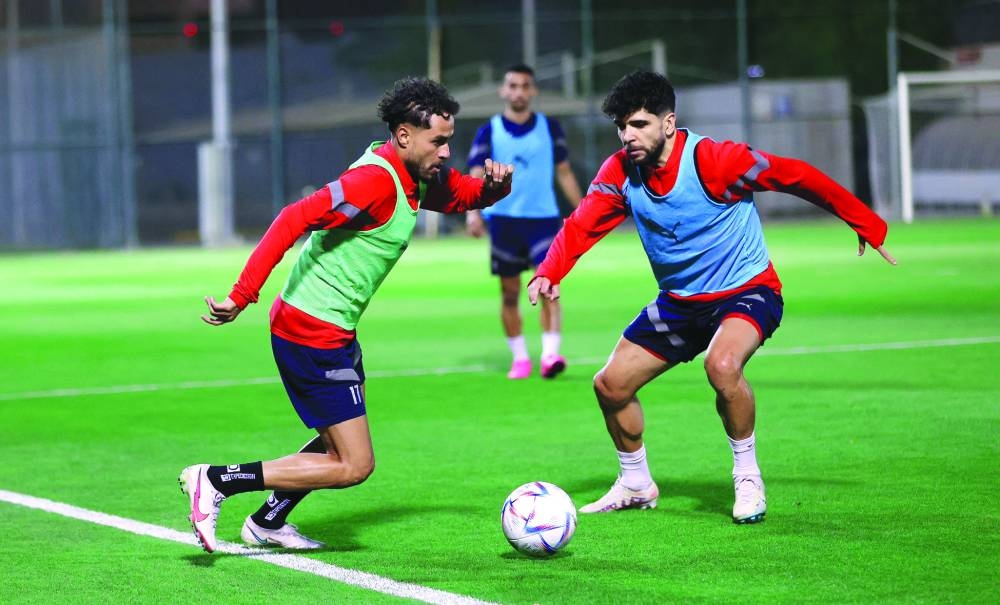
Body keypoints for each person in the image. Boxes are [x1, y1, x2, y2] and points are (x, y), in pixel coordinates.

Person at [527, 70, 895, 524]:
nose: (627, 136)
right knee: (610, 385)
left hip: (747, 290)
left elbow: (795, 176)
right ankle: (636, 483)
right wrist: (550, 269)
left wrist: (863, 221)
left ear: (668, 122)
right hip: (680, 303)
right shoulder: (620, 171)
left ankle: (747, 476)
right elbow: (584, 221)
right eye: (621, 126)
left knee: (721, 365)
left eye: (639, 124)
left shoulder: (715, 161)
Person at [179, 77, 513, 553]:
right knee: (354, 464)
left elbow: (460, 195)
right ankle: (216, 481)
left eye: (448, 141)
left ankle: (268, 522)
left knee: (337, 439)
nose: (445, 151)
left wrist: (494, 191)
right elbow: (293, 217)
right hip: (309, 331)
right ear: (403, 135)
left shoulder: (412, 173)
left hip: (334, 330)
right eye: (438, 141)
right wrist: (242, 294)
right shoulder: (373, 181)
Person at [465, 64, 583, 380]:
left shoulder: (550, 127)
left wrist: (585, 211)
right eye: (512, 85)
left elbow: (564, 171)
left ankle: (550, 355)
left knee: (549, 287)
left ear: (533, 91)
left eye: (524, 86)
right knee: (509, 292)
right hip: (503, 220)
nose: (518, 91)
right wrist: (472, 212)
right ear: (504, 91)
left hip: (543, 220)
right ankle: (520, 358)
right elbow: (476, 171)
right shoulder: (489, 129)